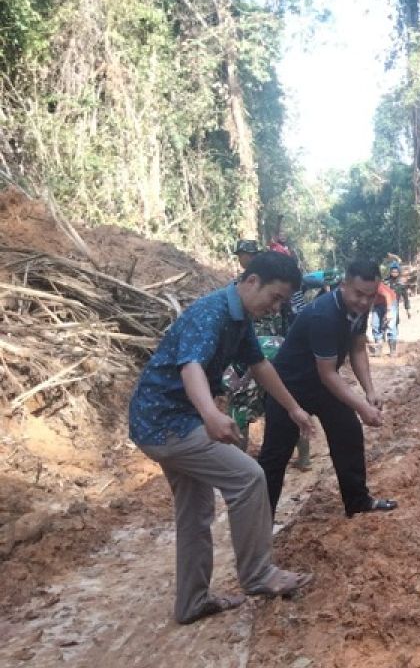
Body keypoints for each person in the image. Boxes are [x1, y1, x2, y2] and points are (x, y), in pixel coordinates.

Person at [127, 251, 315, 625]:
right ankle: (258, 575)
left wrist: (294, 408)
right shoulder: (210, 313)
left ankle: (191, 603)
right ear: (250, 282)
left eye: (282, 301)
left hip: (166, 420)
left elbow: (260, 366)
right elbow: (191, 365)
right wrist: (211, 415)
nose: (276, 307)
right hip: (167, 423)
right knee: (249, 478)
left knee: (196, 511)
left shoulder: (240, 316)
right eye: (274, 297)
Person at [258, 259, 397, 519]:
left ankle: (357, 501)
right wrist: (363, 408)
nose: (364, 302)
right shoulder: (324, 315)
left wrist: (370, 390)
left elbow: (357, 348)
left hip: (322, 385)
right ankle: (259, 527)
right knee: (275, 458)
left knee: (348, 433)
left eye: (370, 295)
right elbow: (328, 373)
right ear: (343, 285)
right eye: (358, 294)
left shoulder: (361, 307)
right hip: (290, 387)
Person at [369, 279, 398, 358]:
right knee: (375, 324)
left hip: (390, 301)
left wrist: (388, 312)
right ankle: (378, 349)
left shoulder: (375, 285)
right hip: (377, 304)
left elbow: (387, 295)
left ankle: (393, 350)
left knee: (390, 325)